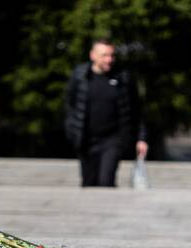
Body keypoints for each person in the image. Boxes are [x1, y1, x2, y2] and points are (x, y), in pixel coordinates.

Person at [63, 39, 148, 187]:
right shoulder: (80, 77)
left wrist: (141, 138)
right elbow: (70, 107)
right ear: (93, 55)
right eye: (104, 55)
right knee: (88, 183)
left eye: (111, 55)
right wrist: (72, 131)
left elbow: (137, 110)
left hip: (112, 140)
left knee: (105, 181)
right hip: (86, 140)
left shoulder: (123, 78)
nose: (109, 60)